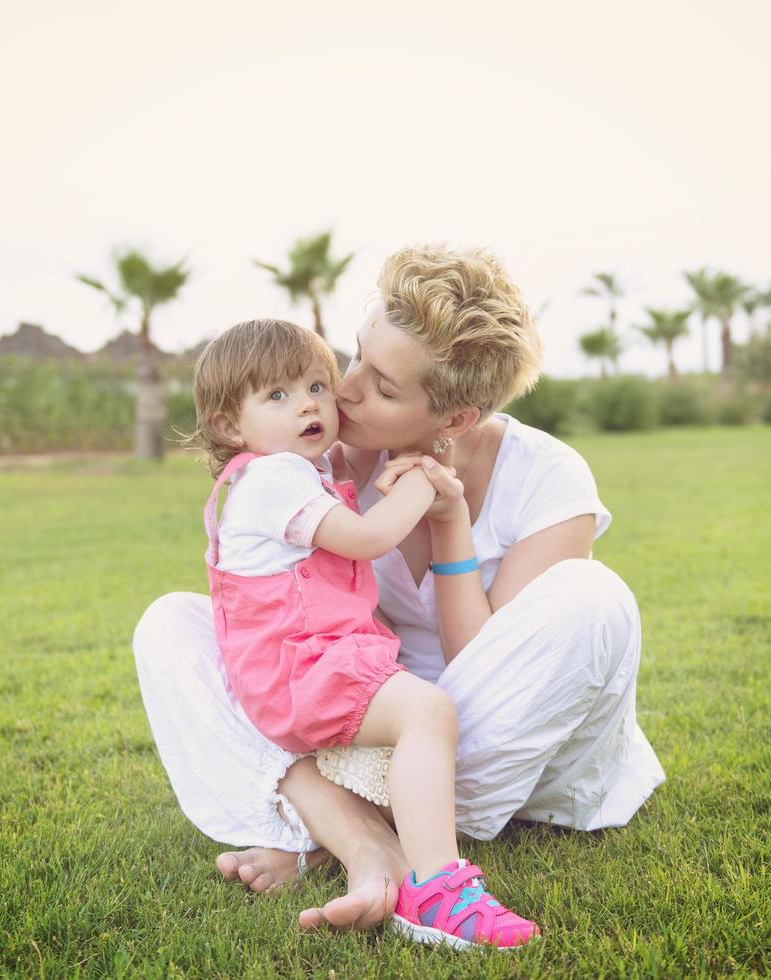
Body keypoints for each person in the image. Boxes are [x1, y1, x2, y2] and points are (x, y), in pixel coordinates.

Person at [134, 244, 664, 934]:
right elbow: (274, 620)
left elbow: (486, 662)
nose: (344, 391)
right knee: (173, 624)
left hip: (499, 739)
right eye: (354, 357)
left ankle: (328, 823)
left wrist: (449, 525)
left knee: (595, 598)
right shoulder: (312, 458)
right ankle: (365, 841)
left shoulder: (548, 479)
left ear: (454, 420)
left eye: (382, 387)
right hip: (375, 725)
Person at [180, 316, 539, 949]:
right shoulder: (270, 480)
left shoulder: (275, 476)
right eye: (278, 396)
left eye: (317, 384)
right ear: (231, 426)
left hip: (302, 666)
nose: (311, 404)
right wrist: (425, 481)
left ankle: (344, 848)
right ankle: (439, 890)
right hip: (302, 670)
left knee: (410, 720)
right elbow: (369, 538)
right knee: (427, 712)